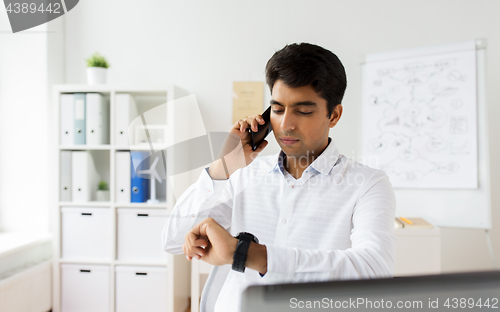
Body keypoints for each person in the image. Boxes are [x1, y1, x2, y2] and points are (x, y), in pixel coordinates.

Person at [162, 42, 396, 312]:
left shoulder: (368, 184)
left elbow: (374, 269)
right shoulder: (243, 174)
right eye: (277, 109)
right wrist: (222, 168)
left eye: (303, 111)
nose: (285, 124)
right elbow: (173, 240)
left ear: (334, 115)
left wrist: (247, 254)